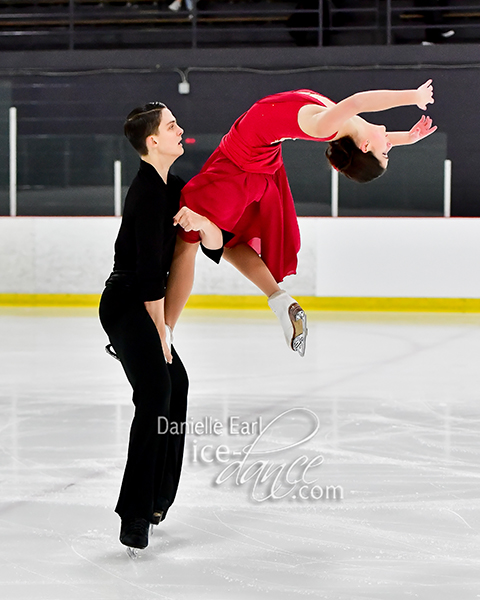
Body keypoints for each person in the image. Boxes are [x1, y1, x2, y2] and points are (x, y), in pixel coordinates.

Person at [163, 81, 436, 357]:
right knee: (231, 239)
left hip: (242, 164)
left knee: (188, 238)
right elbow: (369, 128)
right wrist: (408, 138)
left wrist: (413, 96)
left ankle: (165, 331)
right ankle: (281, 302)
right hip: (253, 158)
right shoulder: (349, 127)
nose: (389, 143)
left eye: (386, 151)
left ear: (364, 146)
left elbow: (358, 102)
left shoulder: (330, 125)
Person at [99, 102, 223, 553]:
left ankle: (157, 500)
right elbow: (150, 273)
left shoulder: (174, 188)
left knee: (177, 383)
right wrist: (160, 333)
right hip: (127, 302)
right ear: (153, 141)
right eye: (172, 126)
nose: (180, 129)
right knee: (155, 393)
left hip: (147, 302)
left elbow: (215, 244)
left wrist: (203, 222)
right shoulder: (147, 193)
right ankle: (134, 514)